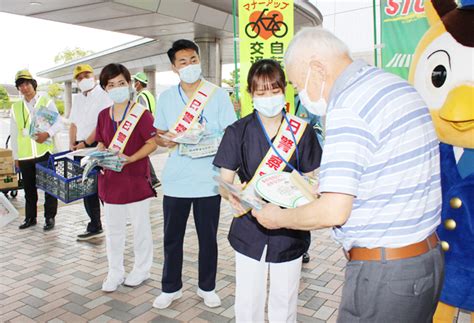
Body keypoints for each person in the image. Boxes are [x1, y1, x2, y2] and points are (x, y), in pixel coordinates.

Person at [253, 27, 444, 322]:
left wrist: (278, 218)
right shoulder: (396, 86)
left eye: (295, 83)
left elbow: (334, 212)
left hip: (385, 274)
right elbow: (388, 171)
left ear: (317, 68)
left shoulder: (349, 107)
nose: (301, 94)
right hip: (425, 260)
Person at [213, 59, 322, 322]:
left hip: (290, 228)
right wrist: (237, 195)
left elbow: (311, 178)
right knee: (248, 302)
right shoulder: (237, 131)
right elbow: (223, 180)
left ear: (284, 91)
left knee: (284, 302)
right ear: (251, 95)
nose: (269, 98)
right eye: (261, 93)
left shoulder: (301, 131)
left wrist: (306, 191)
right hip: (251, 226)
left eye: (274, 91)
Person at [152, 39, 236, 309]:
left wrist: (209, 136)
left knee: (208, 238)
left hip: (208, 181)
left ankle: (207, 286)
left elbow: (231, 133)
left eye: (193, 60)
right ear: (174, 67)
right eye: (183, 62)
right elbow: (159, 134)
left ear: (199, 61)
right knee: (172, 238)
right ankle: (170, 288)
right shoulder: (166, 97)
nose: (189, 66)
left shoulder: (217, 95)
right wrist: (165, 141)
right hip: (176, 180)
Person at [96, 63, 157, 292]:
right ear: (105, 89)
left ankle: (142, 269)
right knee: (114, 231)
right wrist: (99, 154)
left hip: (135, 180)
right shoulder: (103, 115)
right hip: (110, 183)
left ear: (129, 84)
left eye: (121, 83)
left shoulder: (141, 114)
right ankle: (115, 271)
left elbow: (152, 143)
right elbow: (102, 141)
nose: (117, 88)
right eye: (111, 85)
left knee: (141, 228)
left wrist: (130, 158)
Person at [10, 70, 61, 231]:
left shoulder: (46, 101)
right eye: (20, 85)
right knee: (29, 189)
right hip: (25, 155)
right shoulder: (16, 107)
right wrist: (16, 156)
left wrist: (48, 134)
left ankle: (49, 218)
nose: (24, 88)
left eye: (26, 84)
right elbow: (14, 132)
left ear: (33, 84)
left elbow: (58, 123)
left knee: (49, 187)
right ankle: (30, 218)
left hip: (43, 152)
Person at [69, 64, 113, 240]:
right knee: (87, 189)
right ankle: (94, 224)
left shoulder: (104, 95)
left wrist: (85, 143)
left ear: (93, 76)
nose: (83, 79)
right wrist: (71, 144)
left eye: (86, 75)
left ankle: (113, 221)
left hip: (97, 147)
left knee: (103, 187)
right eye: (79, 78)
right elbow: (73, 123)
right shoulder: (78, 99)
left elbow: (102, 124)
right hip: (79, 149)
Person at [132, 72, 160, 188]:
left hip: (144, 129)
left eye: (134, 82)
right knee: (143, 153)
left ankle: (153, 179)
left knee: (142, 153)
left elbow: (143, 113)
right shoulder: (149, 94)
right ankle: (151, 179)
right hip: (151, 126)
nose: (134, 85)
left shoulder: (141, 96)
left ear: (138, 83)